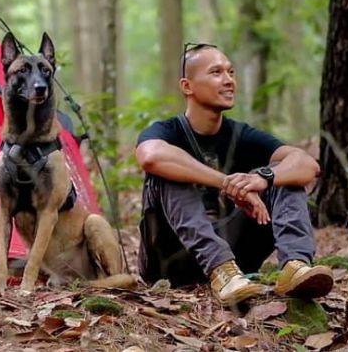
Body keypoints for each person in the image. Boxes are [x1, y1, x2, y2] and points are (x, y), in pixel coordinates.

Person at [134, 43, 333, 305]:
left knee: (285, 175)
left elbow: (308, 165)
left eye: (231, 72)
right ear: (187, 86)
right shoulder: (167, 131)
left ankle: (295, 266)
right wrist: (227, 183)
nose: (229, 80)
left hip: (238, 260)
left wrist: (263, 178)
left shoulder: (242, 135)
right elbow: (150, 156)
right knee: (166, 172)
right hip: (171, 264)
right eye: (216, 72)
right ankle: (220, 271)